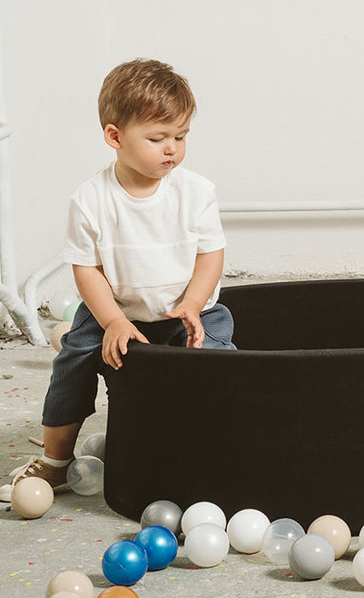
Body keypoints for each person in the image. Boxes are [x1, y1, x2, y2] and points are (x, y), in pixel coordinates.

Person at [1, 58, 233, 501]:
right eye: (157, 139)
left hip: (183, 309)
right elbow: (86, 269)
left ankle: (221, 445)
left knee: (220, 360)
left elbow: (210, 252)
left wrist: (193, 300)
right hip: (117, 309)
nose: (172, 149)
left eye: (180, 137)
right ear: (115, 137)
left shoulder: (196, 192)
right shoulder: (91, 200)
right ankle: (55, 460)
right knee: (73, 360)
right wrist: (111, 320)